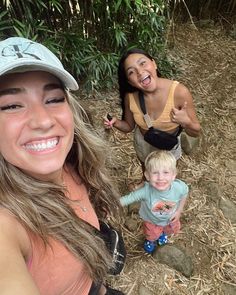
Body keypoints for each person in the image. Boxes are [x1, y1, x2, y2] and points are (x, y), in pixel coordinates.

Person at [0, 37, 125, 295]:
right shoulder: (7, 226)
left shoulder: (74, 162)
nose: (43, 120)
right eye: (11, 105)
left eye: (53, 99)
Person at [104, 48, 201, 182]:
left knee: (166, 179)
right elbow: (129, 126)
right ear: (129, 81)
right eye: (131, 71)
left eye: (142, 63)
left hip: (169, 145)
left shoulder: (180, 92)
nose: (139, 72)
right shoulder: (130, 97)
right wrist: (116, 123)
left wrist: (186, 122)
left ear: (154, 64)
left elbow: (196, 132)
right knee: (147, 175)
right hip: (144, 142)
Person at [120, 150, 188, 254]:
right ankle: (150, 240)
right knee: (151, 233)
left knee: (168, 230)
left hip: (170, 218)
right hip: (152, 220)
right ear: (147, 176)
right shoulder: (146, 192)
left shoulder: (179, 187)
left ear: (174, 175)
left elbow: (184, 194)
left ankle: (163, 234)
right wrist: (111, 203)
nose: (160, 178)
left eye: (166, 172)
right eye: (155, 173)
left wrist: (179, 211)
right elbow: (128, 198)